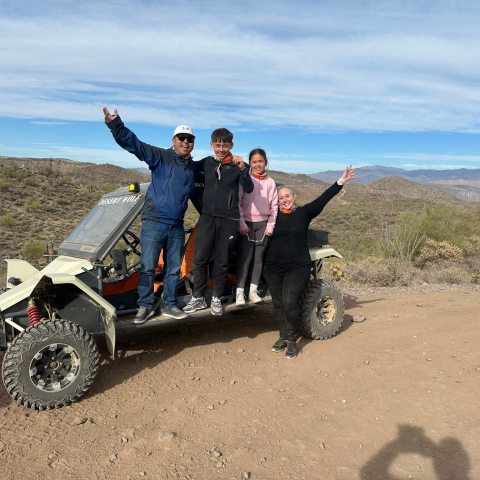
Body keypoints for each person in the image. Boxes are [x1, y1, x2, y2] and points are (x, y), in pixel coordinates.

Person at [103, 107, 195, 324]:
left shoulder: (192, 167)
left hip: (176, 226)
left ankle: (169, 304)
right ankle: (144, 307)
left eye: (190, 139)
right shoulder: (161, 156)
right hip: (154, 221)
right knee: (148, 267)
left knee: (173, 268)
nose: (185, 141)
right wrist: (115, 125)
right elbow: (136, 145)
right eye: (181, 138)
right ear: (173, 140)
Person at [263, 165, 356, 359]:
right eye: (280, 198)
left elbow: (323, 199)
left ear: (294, 197)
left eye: (287, 196)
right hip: (273, 267)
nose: (284, 200)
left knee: (290, 301)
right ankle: (283, 336)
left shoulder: (304, 213)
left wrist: (340, 182)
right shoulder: (272, 217)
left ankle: (291, 340)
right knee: (278, 304)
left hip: (297, 267)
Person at [183, 128, 254, 316]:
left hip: (229, 219)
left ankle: (216, 298)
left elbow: (249, 187)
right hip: (207, 218)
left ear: (231, 145)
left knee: (221, 261)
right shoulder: (207, 163)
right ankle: (197, 297)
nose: (221, 149)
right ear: (212, 145)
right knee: (200, 258)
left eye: (225, 145)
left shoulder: (238, 165)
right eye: (218, 145)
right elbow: (188, 166)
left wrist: (243, 169)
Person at [236, 148, 278, 305]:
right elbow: (238, 203)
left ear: (265, 162)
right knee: (245, 259)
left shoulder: (270, 182)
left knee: (258, 258)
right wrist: (241, 222)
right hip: (246, 224)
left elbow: (274, 206)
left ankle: (253, 292)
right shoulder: (245, 180)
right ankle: (240, 293)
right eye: (254, 162)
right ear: (250, 164)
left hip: (263, 225)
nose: (257, 164)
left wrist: (270, 225)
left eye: (260, 161)